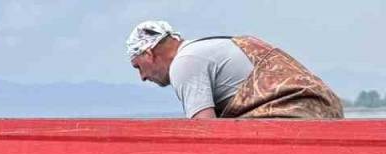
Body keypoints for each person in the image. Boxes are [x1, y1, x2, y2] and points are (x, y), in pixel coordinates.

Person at [127, 20, 343, 119]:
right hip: (325, 111)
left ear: (149, 54)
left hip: (294, 117)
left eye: (138, 67)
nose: (142, 77)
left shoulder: (184, 62)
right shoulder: (210, 46)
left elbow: (205, 133)